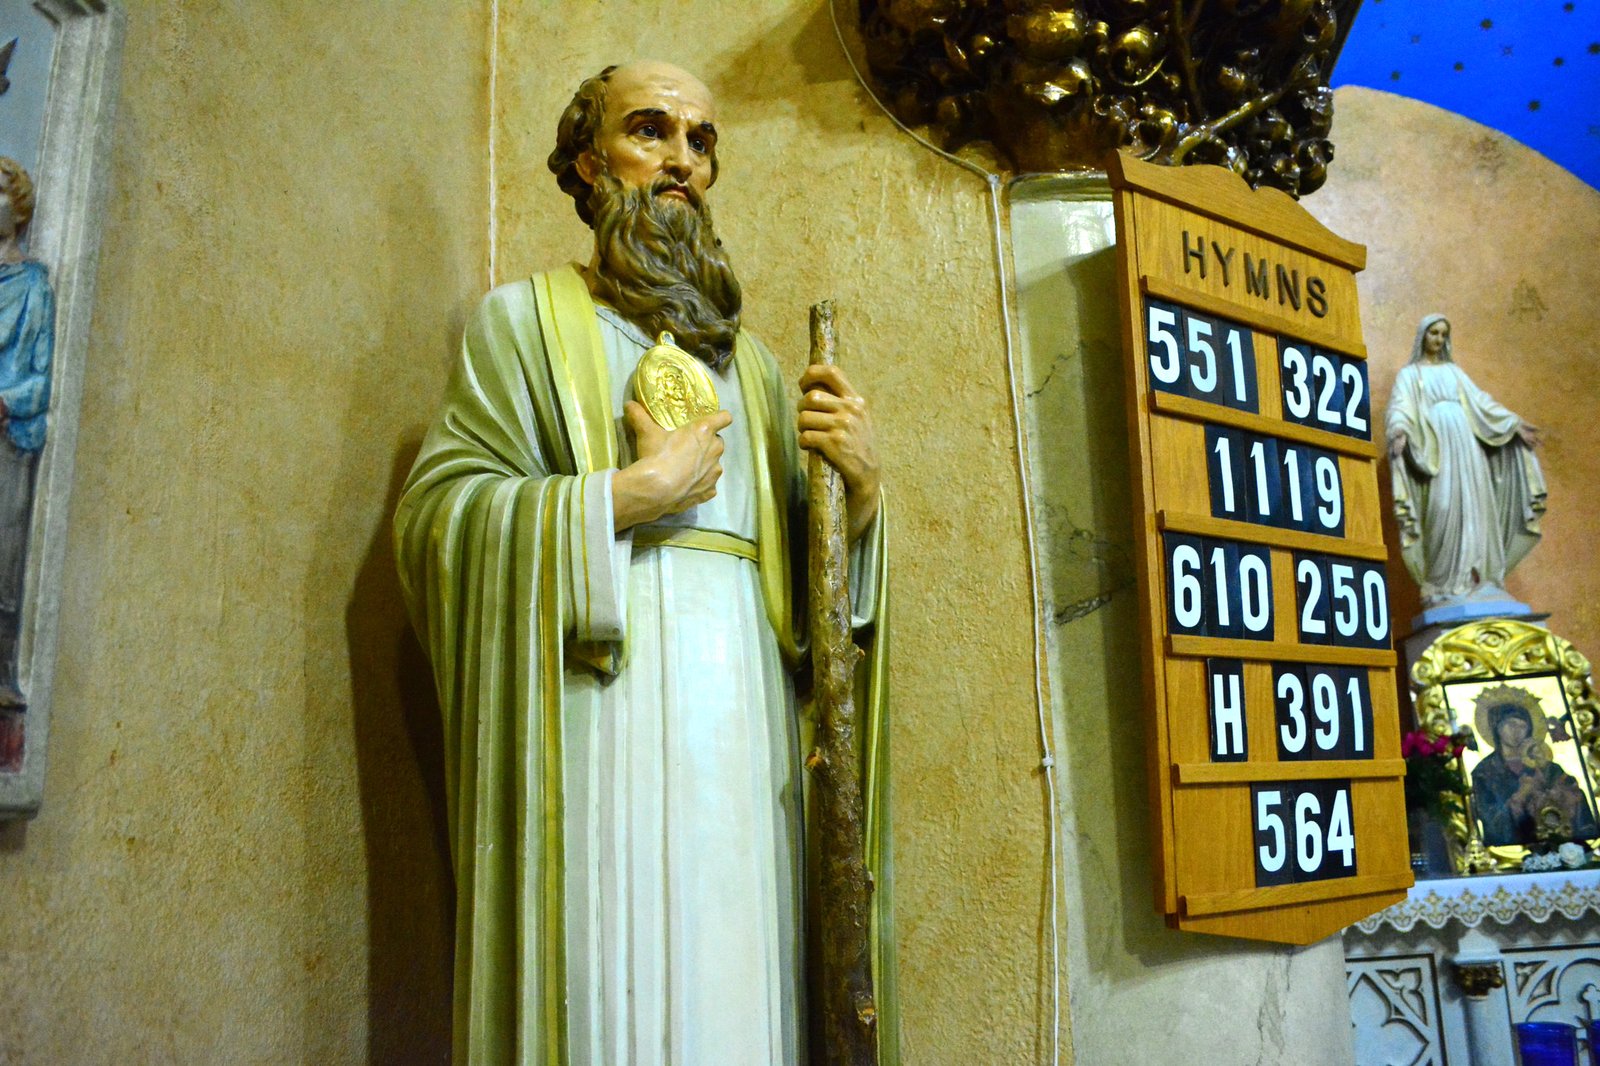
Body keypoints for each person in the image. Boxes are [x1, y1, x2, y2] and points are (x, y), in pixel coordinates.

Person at [394, 62, 895, 1064]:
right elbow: (440, 521)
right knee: (615, 979)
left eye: (700, 141)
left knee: (741, 973)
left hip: (743, 725)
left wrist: (861, 495)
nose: (680, 159)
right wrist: (623, 498)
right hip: (598, 723)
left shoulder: (749, 365)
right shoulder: (523, 324)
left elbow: (812, 607)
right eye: (650, 130)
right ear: (589, 165)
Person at [1386, 314, 1546, 610]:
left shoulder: (1454, 372)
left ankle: (1481, 581)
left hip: (1466, 449)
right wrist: (1399, 430)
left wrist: (1514, 425)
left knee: (1475, 508)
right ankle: (1442, 583)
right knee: (1443, 507)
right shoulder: (1410, 375)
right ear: (1423, 335)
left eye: (1443, 334)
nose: (1438, 339)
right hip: (1435, 449)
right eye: (1433, 333)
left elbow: (1482, 403)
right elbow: (1400, 406)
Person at [0, 157, 54, 707]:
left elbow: (40, 381)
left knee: (3, 557)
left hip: (6, 444)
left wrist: (3, 400)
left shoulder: (34, 287)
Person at [1471, 700, 1597, 847]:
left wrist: (1563, 792)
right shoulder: (1484, 772)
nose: (1516, 731)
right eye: (1511, 724)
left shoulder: (1550, 768)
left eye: (1522, 726)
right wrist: (1520, 796)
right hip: (1510, 848)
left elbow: (1577, 799)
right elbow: (1488, 819)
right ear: (1497, 727)